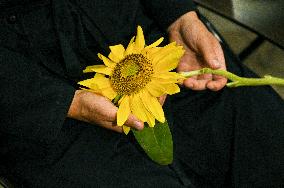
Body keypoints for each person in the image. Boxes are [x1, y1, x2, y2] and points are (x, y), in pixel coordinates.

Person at [0, 0, 283, 187]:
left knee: (269, 145)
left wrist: (178, 14)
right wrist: (60, 103)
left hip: (142, 31)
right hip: (22, 92)